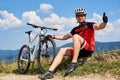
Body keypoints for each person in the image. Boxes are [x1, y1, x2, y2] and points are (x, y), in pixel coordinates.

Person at [38, 8, 108, 79]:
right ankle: (50, 72)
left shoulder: (90, 24)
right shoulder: (75, 29)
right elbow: (64, 37)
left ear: (85, 16)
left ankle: (74, 63)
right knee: (62, 50)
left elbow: (99, 27)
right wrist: (53, 36)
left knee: (76, 36)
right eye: (78, 15)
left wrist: (104, 22)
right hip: (79, 51)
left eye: (82, 15)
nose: (80, 17)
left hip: (87, 49)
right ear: (76, 17)